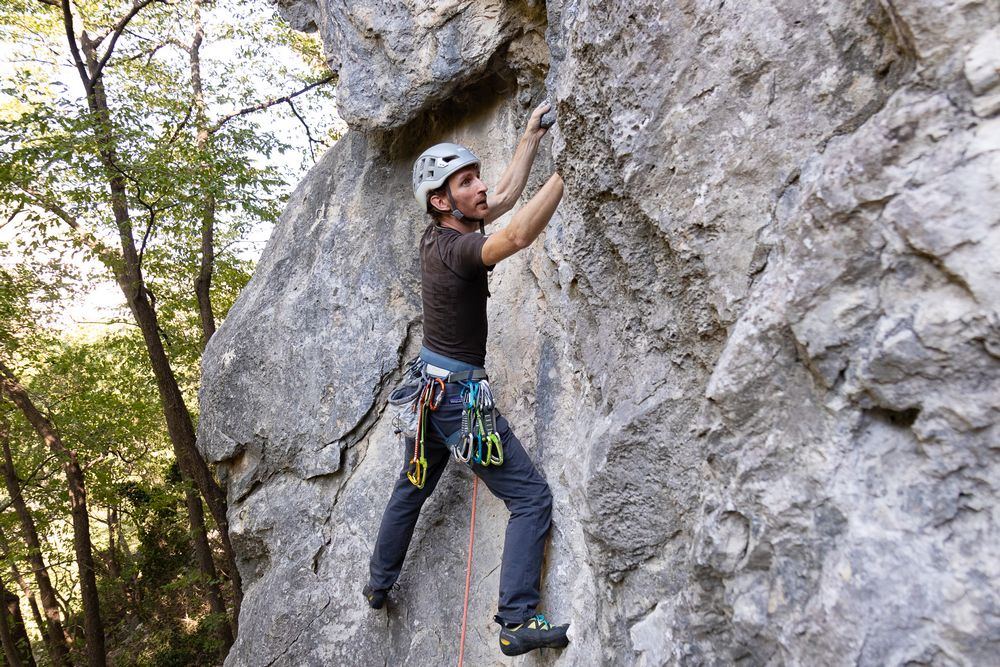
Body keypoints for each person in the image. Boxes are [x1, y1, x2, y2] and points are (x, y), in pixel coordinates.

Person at [364, 102, 568, 657]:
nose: (480, 187)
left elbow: (502, 200)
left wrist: (529, 137)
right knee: (530, 497)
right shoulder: (458, 249)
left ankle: (378, 582)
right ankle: (517, 620)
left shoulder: (439, 235)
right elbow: (515, 236)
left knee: (412, 486)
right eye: (466, 181)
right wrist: (567, 172)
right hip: (456, 400)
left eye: (476, 176)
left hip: (429, 392)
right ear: (441, 200)